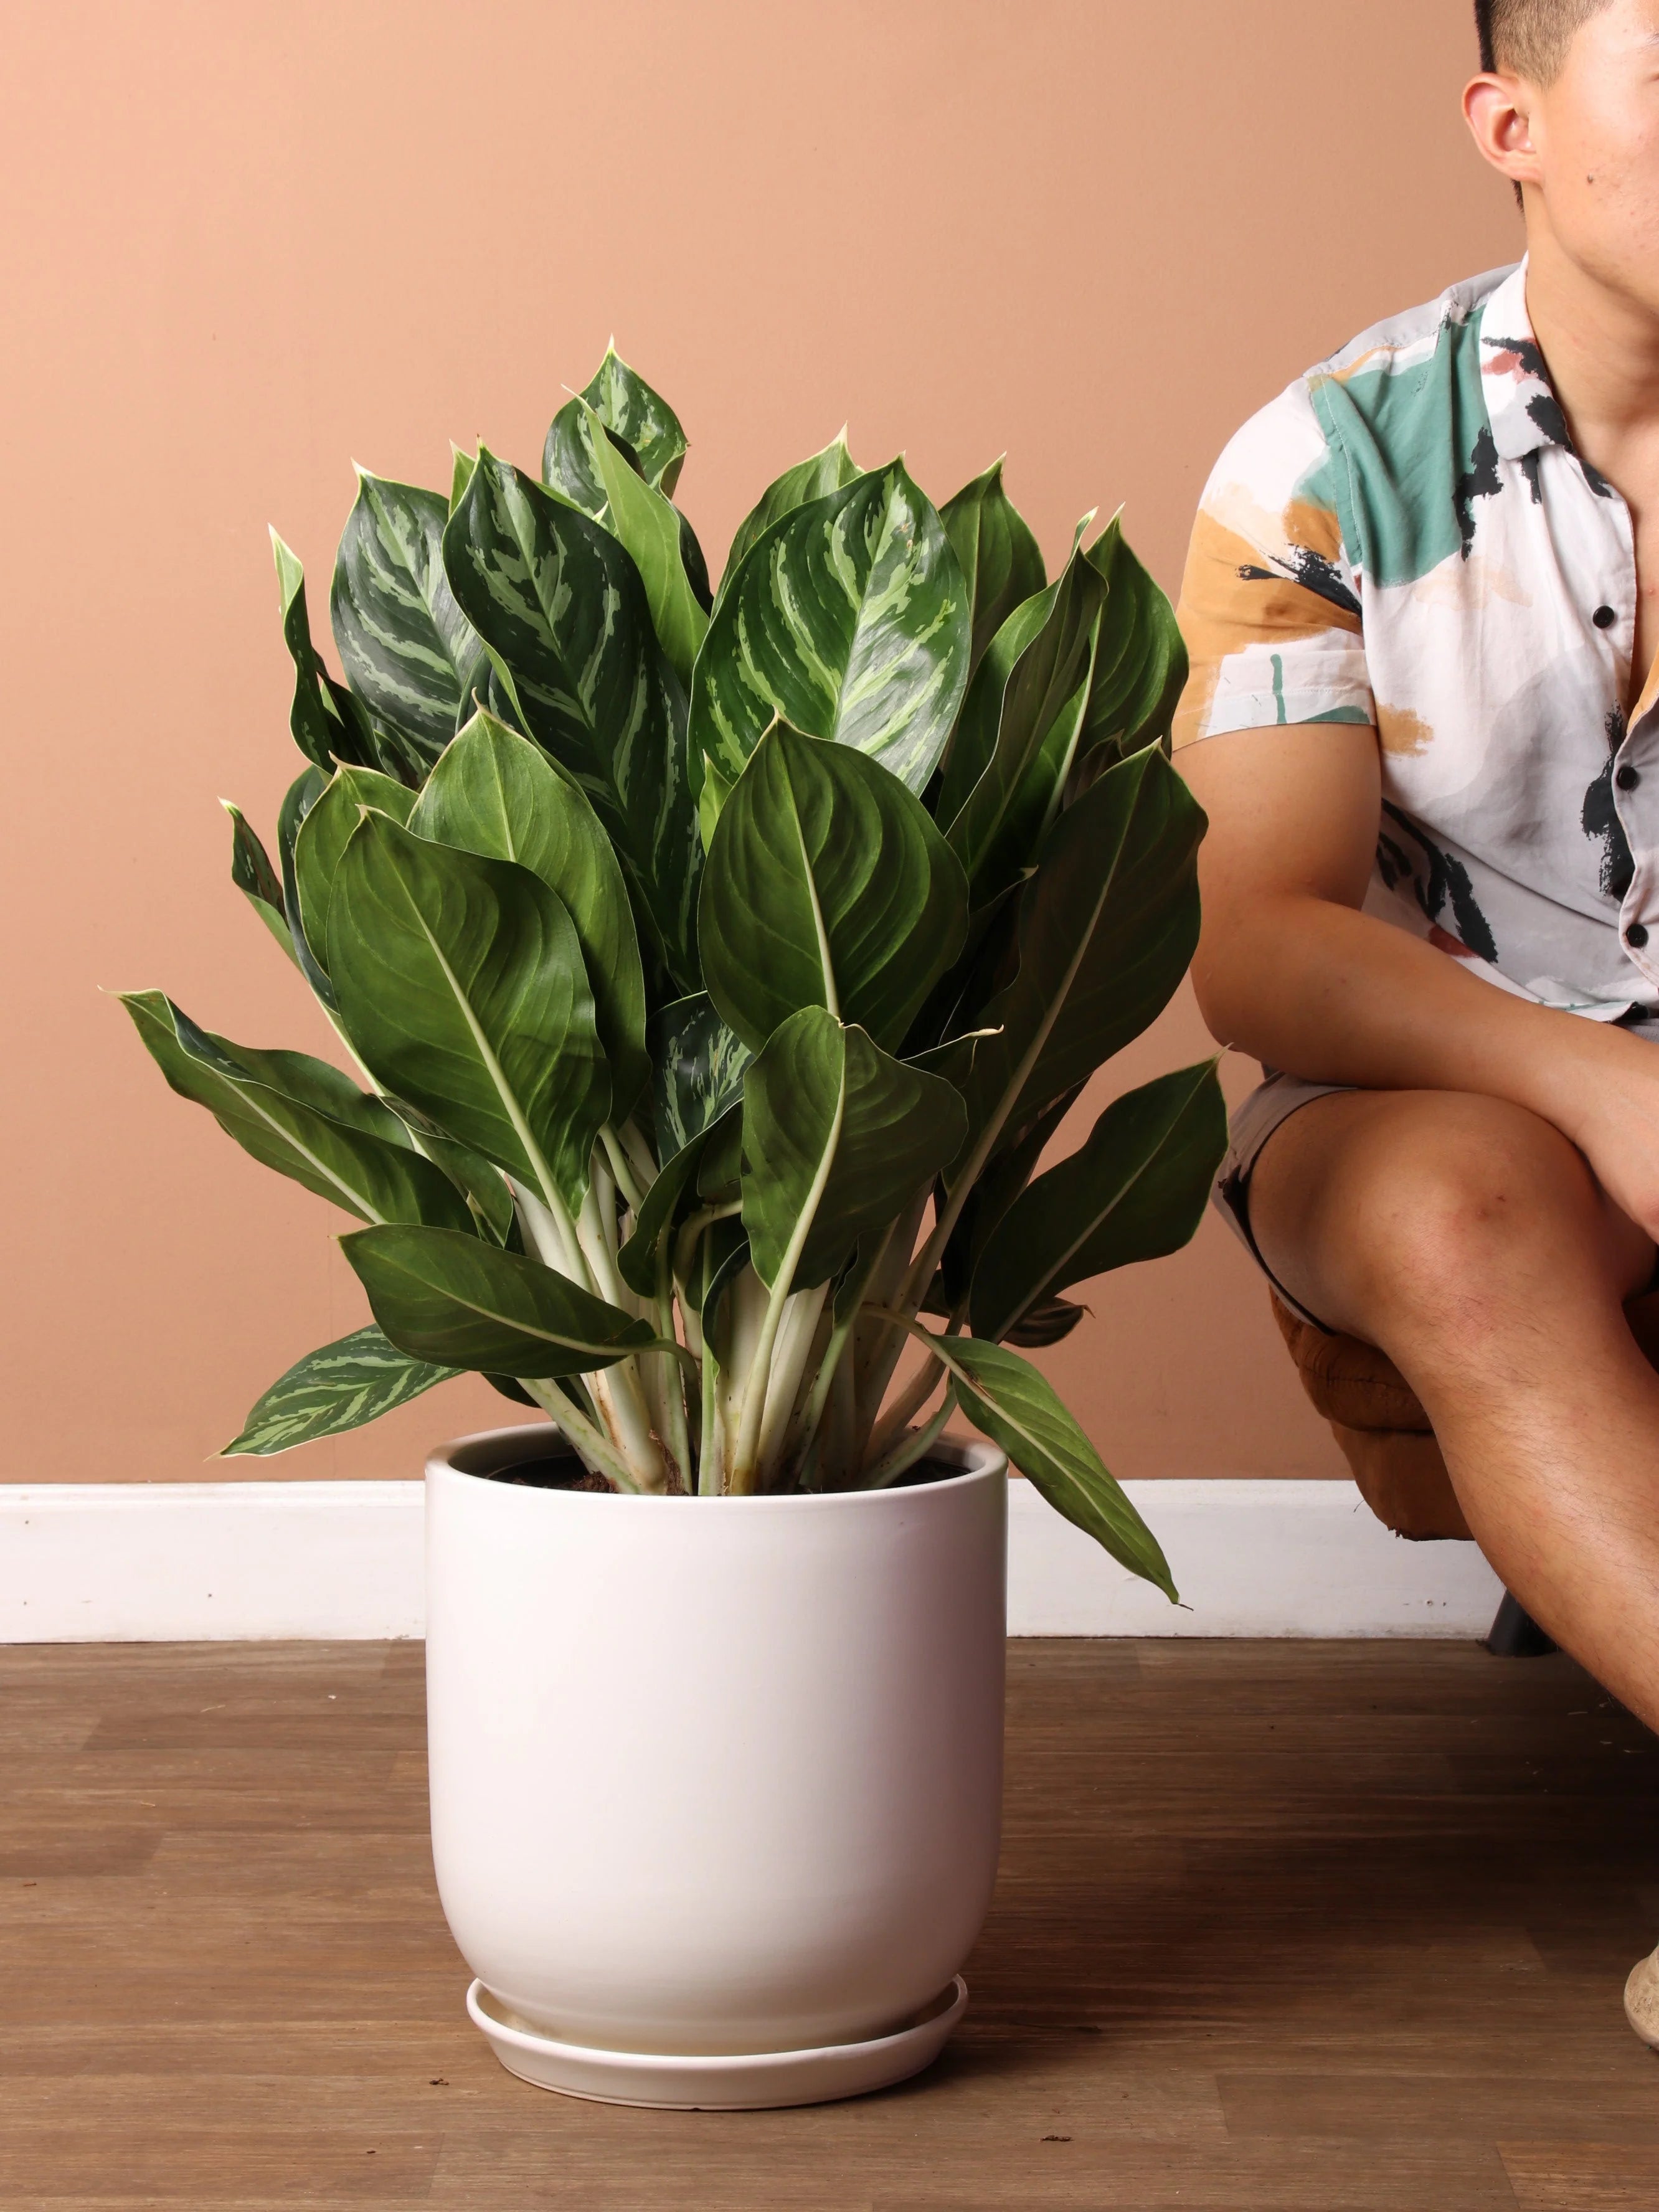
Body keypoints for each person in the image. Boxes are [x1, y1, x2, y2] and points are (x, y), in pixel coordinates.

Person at [1172, 0, 1659, 2047]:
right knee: (1469, 1208)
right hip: (1431, 1099)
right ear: (1511, 123)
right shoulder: (1327, 459)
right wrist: (1607, 1087)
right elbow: (1263, 943)